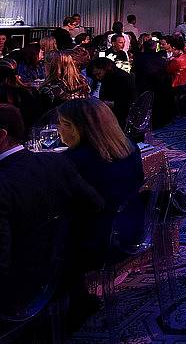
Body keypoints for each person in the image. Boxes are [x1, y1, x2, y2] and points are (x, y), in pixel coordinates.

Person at [0, 104, 104, 322]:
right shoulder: (55, 161)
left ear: (2, 136)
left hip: (20, 289)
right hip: (65, 269)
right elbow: (95, 203)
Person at [57, 98, 144, 262]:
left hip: (100, 242)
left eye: (61, 123)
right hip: (134, 228)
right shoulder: (129, 147)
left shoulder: (72, 161)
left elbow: (65, 204)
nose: (58, 129)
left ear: (75, 128)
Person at [87, 57, 137, 128]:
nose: (98, 77)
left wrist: (104, 104)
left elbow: (126, 104)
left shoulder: (121, 78)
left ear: (105, 68)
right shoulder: (108, 78)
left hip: (121, 119)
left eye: (98, 74)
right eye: (95, 76)